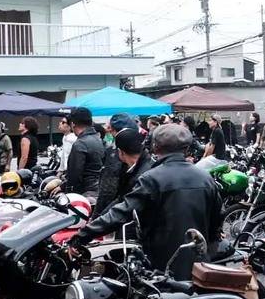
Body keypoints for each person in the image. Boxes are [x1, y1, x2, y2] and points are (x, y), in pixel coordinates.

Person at [67, 124, 222, 280]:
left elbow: (120, 213)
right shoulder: (205, 178)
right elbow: (216, 223)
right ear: (186, 148)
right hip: (200, 266)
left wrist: (81, 236)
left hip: (161, 266)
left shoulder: (152, 178)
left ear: (155, 147)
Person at [96, 113, 140, 217]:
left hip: (117, 214)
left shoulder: (115, 152)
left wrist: (97, 217)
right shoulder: (143, 152)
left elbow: (108, 190)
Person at [66, 107, 105, 198]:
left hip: (84, 192)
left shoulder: (80, 144)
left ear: (73, 124)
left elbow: (75, 175)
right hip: (97, 188)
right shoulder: (97, 139)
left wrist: (70, 195)